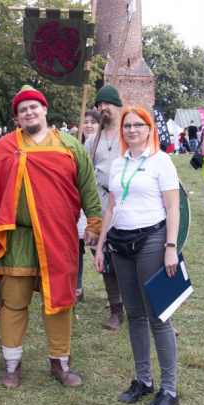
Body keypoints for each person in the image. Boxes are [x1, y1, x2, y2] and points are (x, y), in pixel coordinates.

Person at [0, 85, 102, 389]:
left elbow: (87, 187)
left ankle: (60, 364)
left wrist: (94, 223)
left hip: (59, 237)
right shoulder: (5, 147)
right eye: (22, 110)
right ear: (17, 118)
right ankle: (12, 366)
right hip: (17, 238)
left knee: (58, 301)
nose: (29, 112)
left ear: (44, 109)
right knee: (14, 302)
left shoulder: (70, 145)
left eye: (34, 107)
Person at [93, 106, 181, 405]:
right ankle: (144, 381)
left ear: (148, 129)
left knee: (157, 316)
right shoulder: (118, 163)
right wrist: (102, 245)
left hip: (153, 241)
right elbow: (111, 208)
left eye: (137, 125)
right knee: (135, 316)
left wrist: (171, 247)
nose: (131, 130)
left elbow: (174, 209)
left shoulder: (161, 161)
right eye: (127, 125)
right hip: (120, 243)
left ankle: (169, 390)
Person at [84, 85, 127, 330]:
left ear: (117, 105)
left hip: (128, 204)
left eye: (107, 104)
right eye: (99, 105)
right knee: (106, 260)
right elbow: (87, 174)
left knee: (136, 259)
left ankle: (149, 311)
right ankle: (116, 310)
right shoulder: (93, 139)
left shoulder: (128, 132)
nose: (103, 108)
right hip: (101, 204)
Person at [75, 110, 101, 303]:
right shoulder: (75, 148)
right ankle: (77, 289)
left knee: (100, 247)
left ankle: (114, 293)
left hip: (98, 204)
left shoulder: (106, 147)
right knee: (76, 249)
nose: (89, 126)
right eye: (85, 122)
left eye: (93, 122)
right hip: (78, 204)